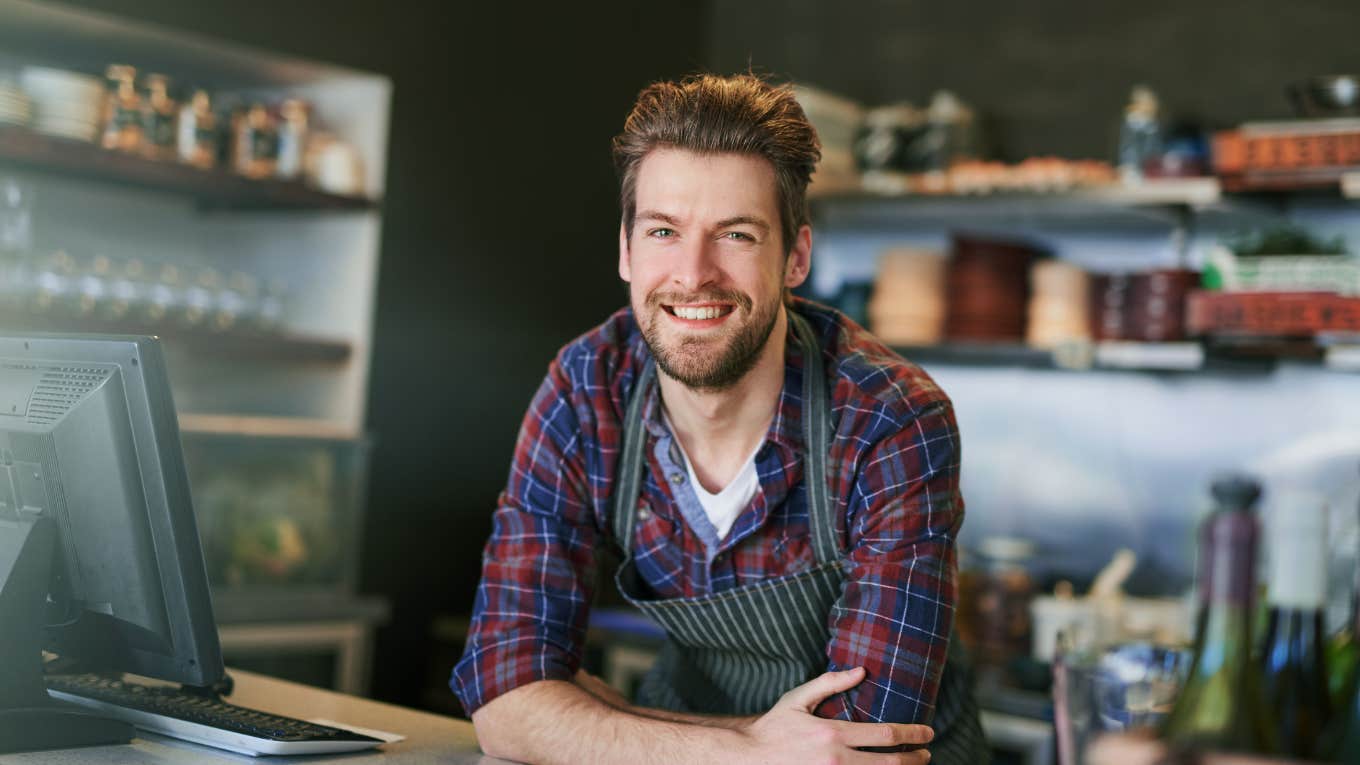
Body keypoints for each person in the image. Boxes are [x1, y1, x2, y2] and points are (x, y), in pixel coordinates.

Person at [451, 72, 985, 765]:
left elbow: (855, 749)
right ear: (626, 250)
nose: (693, 273)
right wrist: (748, 748)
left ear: (795, 258)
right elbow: (505, 701)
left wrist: (600, 719)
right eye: (664, 230)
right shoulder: (587, 389)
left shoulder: (891, 420)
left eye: (735, 234)